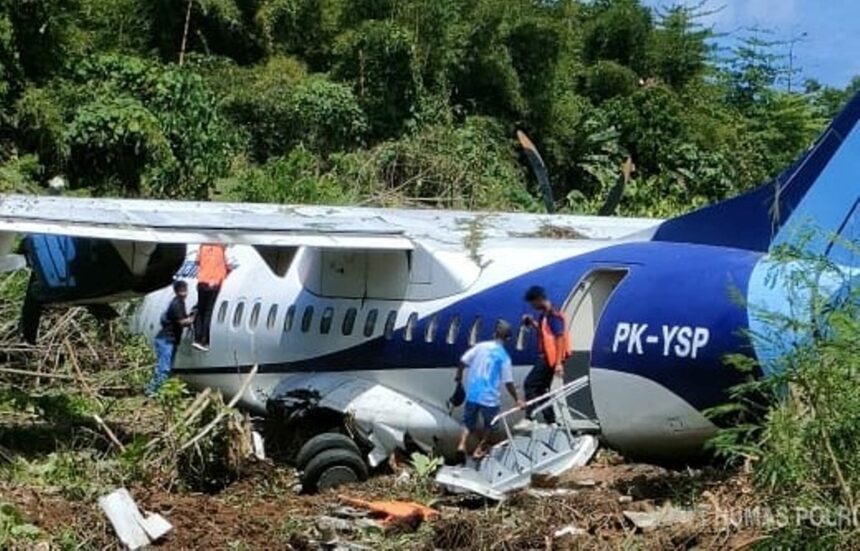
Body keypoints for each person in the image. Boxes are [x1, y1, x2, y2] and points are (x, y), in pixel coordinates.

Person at [455, 321, 524, 460]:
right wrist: (517, 399)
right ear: (508, 339)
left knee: (468, 422)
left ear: (494, 334)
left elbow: (463, 361)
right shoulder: (504, 357)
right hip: (490, 397)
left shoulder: (480, 347)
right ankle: (479, 448)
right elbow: (508, 382)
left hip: (473, 393)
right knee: (491, 425)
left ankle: (462, 444)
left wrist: (459, 375)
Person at [521, 285, 570, 424]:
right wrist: (533, 323)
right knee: (542, 389)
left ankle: (529, 417)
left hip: (550, 358)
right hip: (549, 357)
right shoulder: (544, 315)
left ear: (538, 299)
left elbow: (559, 337)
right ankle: (551, 420)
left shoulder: (552, 314)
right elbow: (545, 333)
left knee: (529, 384)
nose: (532, 306)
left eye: (532, 303)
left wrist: (559, 363)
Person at [148, 280, 194, 396]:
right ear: (179, 291)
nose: (185, 292)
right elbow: (182, 322)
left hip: (169, 339)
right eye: (183, 289)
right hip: (166, 340)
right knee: (164, 368)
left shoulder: (180, 303)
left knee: (166, 367)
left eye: (185, 289)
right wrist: (193, 319)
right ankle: (153, 392)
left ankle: (159, 390)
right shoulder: (177, 304)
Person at [193, 243, 229, 351]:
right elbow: (230, 263)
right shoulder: (221, 249)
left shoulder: (203, 246)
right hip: (214, 283)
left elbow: (196, 261)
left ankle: (197, 339)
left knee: (200, 311)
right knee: (208, 312)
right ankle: (205, 340)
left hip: (202, 281)